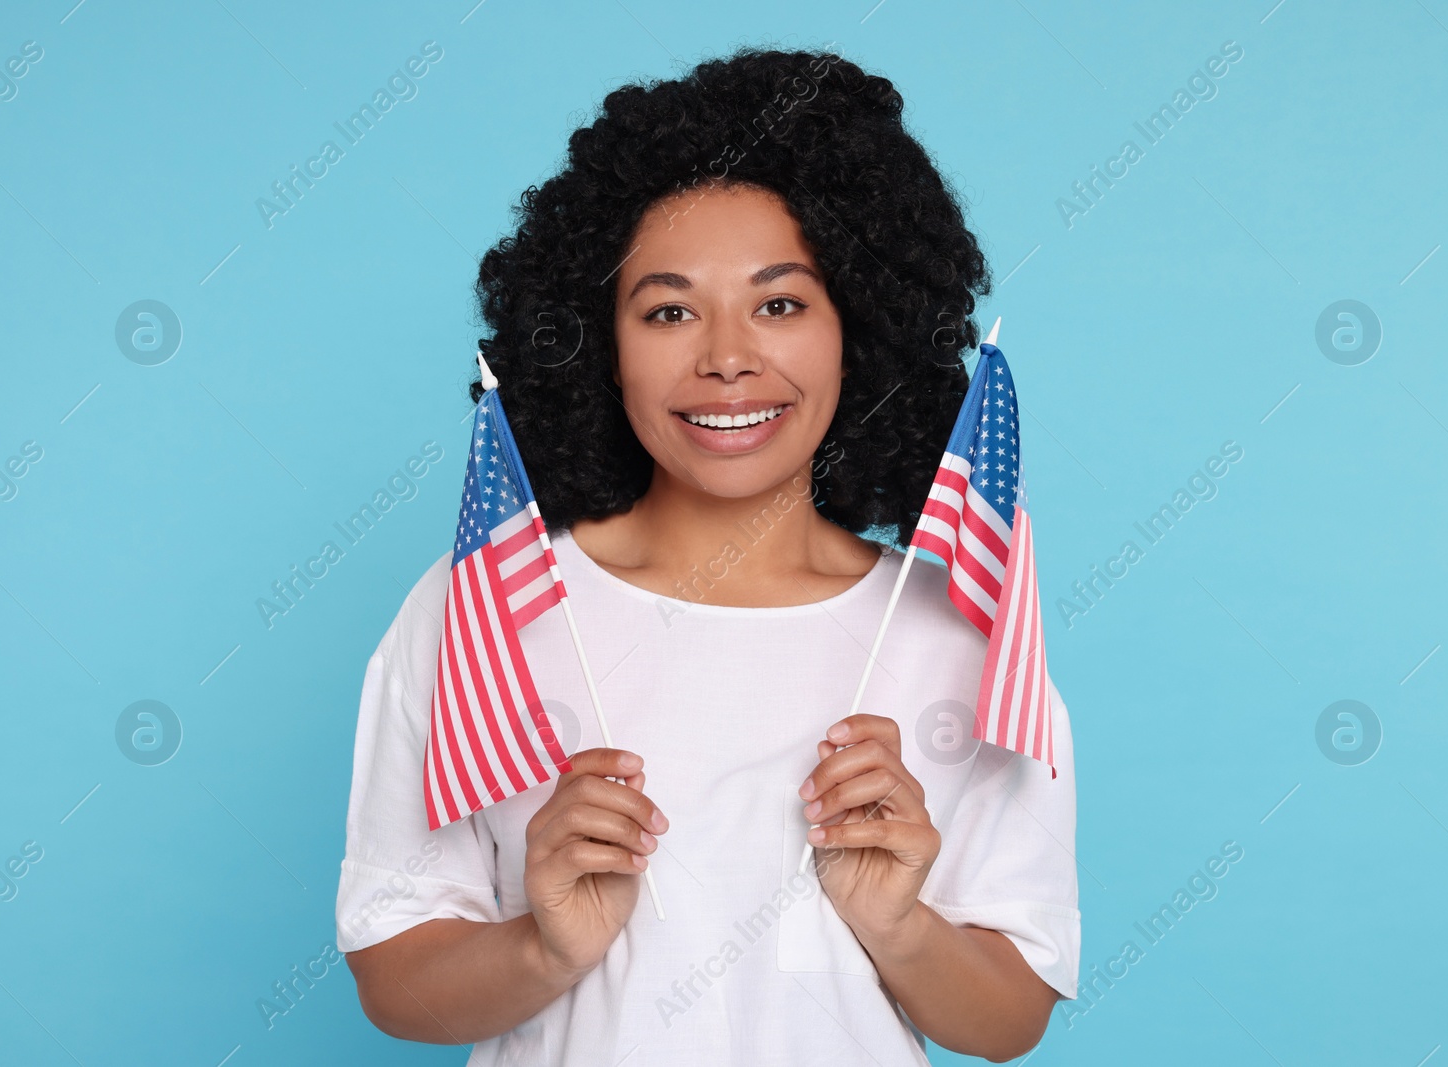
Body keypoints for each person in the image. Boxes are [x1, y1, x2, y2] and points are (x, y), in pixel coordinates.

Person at [334, 45, 1079, 1065]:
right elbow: (393, 981)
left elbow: (1010, 1020)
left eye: (780, 302)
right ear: (601, 342)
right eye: (669, 309)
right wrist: (546, 947)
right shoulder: (483, 610)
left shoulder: (959, 629)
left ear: (856, 328)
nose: (726, 356)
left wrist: (899, 923)